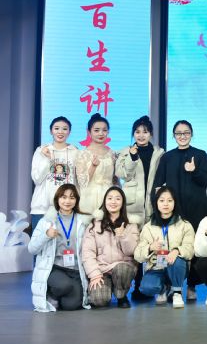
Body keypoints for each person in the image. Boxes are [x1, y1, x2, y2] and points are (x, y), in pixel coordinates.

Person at [151, 120, 207, 301]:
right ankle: (171, 285)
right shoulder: (167, 157)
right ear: (174, 135)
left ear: (191, 134)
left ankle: (192, 285)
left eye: (186, 133)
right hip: (174, 210)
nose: (182, 136)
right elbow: (158, 184)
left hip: (197, 209)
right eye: (179, 133)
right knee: (173, 246)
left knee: (195, 248)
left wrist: (194, 170)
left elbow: (206, 180)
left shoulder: (200, 154)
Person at [115, 115, 164, 301]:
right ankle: (134, 286)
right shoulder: (125, 152)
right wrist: (132, 157)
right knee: (133, 247)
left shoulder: (159, 153)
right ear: (133, 134)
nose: (141, 135)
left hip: (152, 205)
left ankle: (147, 285)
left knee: (151, 245)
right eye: (137, 132)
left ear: (151, 134)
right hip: (132, 206)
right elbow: (121, 174)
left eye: (145, 132)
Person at [28, 183, 93, 312]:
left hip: (76, 270)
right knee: (64, 285)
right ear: (57, 199)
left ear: (76, 200)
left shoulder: (84, 221)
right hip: (55, 268)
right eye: (63, 197)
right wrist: (46, 235)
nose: (67, 201)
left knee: (71, 306)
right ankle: (51, 293)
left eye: (72, 197)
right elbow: (32, 249)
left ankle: (60, 295)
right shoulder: (46, 221)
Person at [134, 187, 196, 308]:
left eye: (170, 200)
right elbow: (137, 255)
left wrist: (177, 251)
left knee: (177, 260)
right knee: (146, 288)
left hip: (176, 267)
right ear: (156, 203)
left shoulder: (185, 225)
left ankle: (177, 292)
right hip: (156, 268)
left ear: (175, 202)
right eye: (162, 200)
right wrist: (150, 247)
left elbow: (190, 249)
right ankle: (164, 288)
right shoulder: (148, 227)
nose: (166, 204)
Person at [81, 186, 140, 308]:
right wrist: (94, 274)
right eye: (110, 198)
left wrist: (123, 236)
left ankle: (121, 295)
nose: (113, 202)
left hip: (123, 268)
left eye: (118, 199)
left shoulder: (131, 224)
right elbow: (87, 252)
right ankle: (108, 288)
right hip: (102, 269)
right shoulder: (94, 224)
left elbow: (132, 251)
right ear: (105, 201)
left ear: (122, 203)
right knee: (99, 301)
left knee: (122, 269)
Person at [31, 117, 79, 232]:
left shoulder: (75, 151)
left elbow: (77, 181)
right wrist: (47, 159)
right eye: (56, 128)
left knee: (65, 242)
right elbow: (37, 179)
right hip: (42, 208)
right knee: (39, 242)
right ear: (51, 131)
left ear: (69, 132)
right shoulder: (41, 150)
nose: (60, 132)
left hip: (66, 208)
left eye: (64, 129)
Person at [76, 113, 117, 217]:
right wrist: (93, 167)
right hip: (89, 198)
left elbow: (115, 180)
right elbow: (82, 182)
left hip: (109, 198)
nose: (101, 133)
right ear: (89, 132)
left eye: (104, 130)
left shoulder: (112, 154)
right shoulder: (82, 154)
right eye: (96, 130)